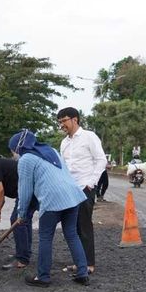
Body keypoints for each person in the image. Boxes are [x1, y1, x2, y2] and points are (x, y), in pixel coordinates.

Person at [10, 130, 88, 287]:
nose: (14, 154)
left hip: (52, 199)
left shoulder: (26, 159)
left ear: (19, 147)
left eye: (13, 150)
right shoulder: (50, 150)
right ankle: (82, 273)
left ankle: (43, 277)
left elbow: (24, 190)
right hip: (72, 195)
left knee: (45, 237)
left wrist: (22, 214)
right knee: (72, 235)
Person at [57, 107, 106, 275]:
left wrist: (91, 183)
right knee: (72, 227)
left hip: (85, 188)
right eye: (60, 122)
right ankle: (79, 262)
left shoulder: (89, 137)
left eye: (64, 121)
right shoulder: (64, 142)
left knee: (84, 225)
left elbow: (101, 160)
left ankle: (89, 263)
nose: (62, 125)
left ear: (75, 119)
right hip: (70, 189)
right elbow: (63, 166)